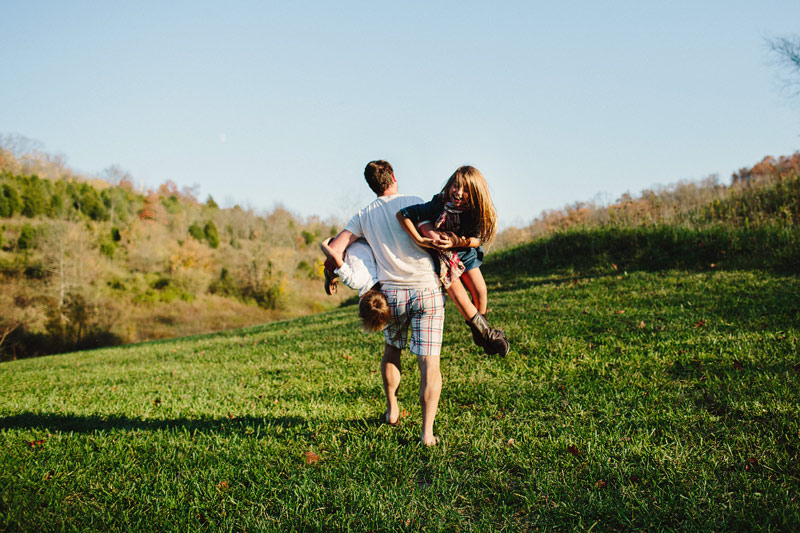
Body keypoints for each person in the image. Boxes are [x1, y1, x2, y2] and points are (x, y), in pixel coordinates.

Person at [325, 160, 446, 446]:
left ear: (371, 185)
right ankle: (427, 434)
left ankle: (392, 409)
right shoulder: (414, 202)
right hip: (427, 290)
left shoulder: (363, 215)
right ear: (393, 176)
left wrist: (330, 275)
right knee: (429, 362)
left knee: (393, 349)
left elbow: (335, 249)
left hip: (392, 295)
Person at [396, 165, 509, 356]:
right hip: (445, 258)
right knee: (459, 296)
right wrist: (419, 239)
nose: (458, 192)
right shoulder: (439, 203)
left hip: (465, 252)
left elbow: (477, 239)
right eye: (456, 186)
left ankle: (479, 332)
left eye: (466, 189)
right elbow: (403, 214)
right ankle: (488, 335)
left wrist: (458, 241)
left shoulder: (475, 210)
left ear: (475, 193)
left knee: (480, 290)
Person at [320, 237, 390, 332]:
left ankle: (332, 274)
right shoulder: (354, 282)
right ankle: (330, 274)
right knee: (334, 266)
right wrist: (324, 245)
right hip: (345, 242)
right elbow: (334, 258)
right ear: (360, 302)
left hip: (361, 238)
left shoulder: (382, 276)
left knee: (343, 269)